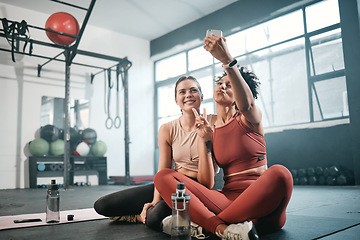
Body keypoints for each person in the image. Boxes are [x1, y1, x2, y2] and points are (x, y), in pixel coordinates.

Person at [154, 34, 293, 239]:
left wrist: (227, 61)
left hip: (262, 199)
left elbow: (246, 103)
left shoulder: (249, 118)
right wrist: (204, 139)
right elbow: (207, 183)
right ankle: (222, 229)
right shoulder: (210, 128)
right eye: (220, 82)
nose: (223, 86)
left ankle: (204, 225)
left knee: (281, 173)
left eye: (230, 84)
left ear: (239, 91)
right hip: (227, 200)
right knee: (163, 176)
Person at [93, 75, 216, 233]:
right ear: (176, 100)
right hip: (173, 184)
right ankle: (142, 216)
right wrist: (154, 200)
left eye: (193, 90)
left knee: (155, 216)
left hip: (199, 188)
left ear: (202, 96)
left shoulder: (214, 122)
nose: (188, 95)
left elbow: (207, 180)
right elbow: (163, 170)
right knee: (103, 205)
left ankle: (149, 216)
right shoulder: (167, 129)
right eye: (182, 92)